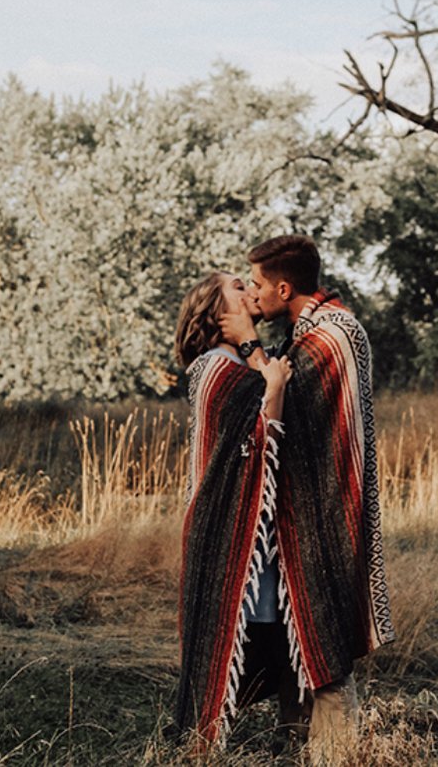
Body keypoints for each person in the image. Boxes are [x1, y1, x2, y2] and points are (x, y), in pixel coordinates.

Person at [220, 234, 396, 764]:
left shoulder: (331, 336)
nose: (251, 293)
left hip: (327, 512)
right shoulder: (312, 330)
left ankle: (338, 756)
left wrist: (249, 343)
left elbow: (281, 404)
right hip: (309, 510)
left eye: (255, 284)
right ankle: (296, 748)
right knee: (300, 636)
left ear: (282, 286)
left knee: (324, 639)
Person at [172, 271, 294, 748]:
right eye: (238, 287)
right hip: (228, 525)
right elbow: (263, 436)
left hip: (245, 523)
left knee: (269, 627)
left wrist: (252, 348)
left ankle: (286, 734)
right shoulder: (216, 369)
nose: (250, 290)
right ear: (215, 314)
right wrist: (276, 386)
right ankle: (208, 740)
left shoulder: (233, 362)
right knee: (243, 628)